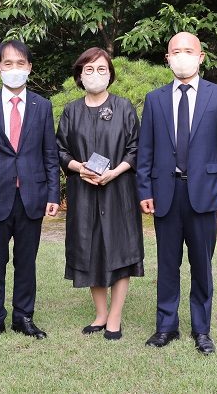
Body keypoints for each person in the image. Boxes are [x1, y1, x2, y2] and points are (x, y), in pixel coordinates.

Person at [136, 32, 217, 355]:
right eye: (175, 51)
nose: (182, 56)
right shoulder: (154, 99)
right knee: (167, 264)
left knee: (201, 264)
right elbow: (145, 151)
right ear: (167, 59)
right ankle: (166, 326)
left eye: (188, 50)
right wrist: (144, 189)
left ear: (201, 56)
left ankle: (201, 330)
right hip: (165, 192)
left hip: (205, 194)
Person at [0, 39, 60, 343]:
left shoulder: (42, 106)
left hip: (32, 196)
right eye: (8, 64)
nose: (14, 69)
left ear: (29, 68)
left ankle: (24, 317)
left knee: (26, 260)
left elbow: (50, 154)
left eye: (21, 63)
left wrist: (54, 195)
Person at [56, 47, 144, 341]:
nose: (95, 75)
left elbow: (136, 148)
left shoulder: (124, 107)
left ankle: (115, 318)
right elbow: (60, 150)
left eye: (102, 69)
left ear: (110, 74)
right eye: (89, 70)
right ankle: (101, 314)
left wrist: (115, 171)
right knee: (90, 250)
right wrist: (77, 167)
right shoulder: (71, 111)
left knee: (120, 251)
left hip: (118, 191)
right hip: (83, 191)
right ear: (80, 75)